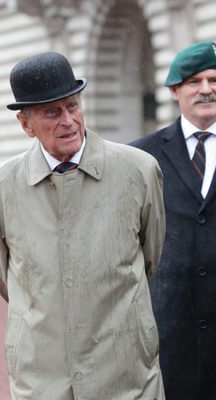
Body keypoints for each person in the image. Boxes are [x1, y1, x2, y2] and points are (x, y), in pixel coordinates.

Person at [0, 51, 166, 400]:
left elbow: (150, 257)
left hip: (126, 372)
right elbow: (0, 275)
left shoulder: (139, 170)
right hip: (42, 375)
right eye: (52, 112)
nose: (68, 121)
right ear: (25, 124)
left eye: (73, 106)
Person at [130, 40, 216, 400]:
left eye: (214, 79)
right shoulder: (141, 155)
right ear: (174, 91)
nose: (207, 89)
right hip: (169, 327)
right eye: (194, 82)